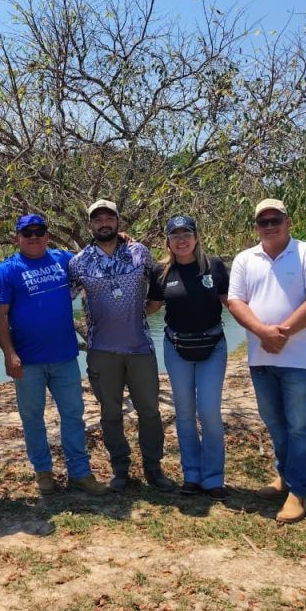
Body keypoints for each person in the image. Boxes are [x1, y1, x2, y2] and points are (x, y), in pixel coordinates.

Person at [227, 199, 306, 523]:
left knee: (300, 427)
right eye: (264, 222)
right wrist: (263, 332)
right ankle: (285, 477)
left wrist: (282, 333)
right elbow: (235, 301)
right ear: (256, 227)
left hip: (300, 360)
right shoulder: (245, 259)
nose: (270, 226)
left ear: (288, 222)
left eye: (276, 220)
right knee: (274, 422)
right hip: (260, 358)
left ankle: (300, 491)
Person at [0, 214, 109, 497]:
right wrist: (9, 353)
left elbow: (98, 256)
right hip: (27, 362)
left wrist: (123, 239)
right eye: (27, 233)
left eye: (39, 232)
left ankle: (79, 473)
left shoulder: (64, 260)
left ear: (47, 236)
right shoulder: (7, 270)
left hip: (64, 357)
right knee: (32, 418)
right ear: (17, 238)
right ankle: (43, 472)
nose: (34, 237)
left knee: (73, 415)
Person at [68, 199, 174, 492]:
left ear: (118, 221)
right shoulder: (78, 262)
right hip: (101, 351)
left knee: (149, 412)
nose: (104, 224)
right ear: (90, 225)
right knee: (110, 414)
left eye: (109, 218)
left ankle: (153, 468)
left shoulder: (139, 252)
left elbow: (162, 283)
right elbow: (61, 299)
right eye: (97, 219)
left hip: (140, 348)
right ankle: (120, 468)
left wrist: (143, 311)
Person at [147, 215, 230, 501]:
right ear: (168, 241)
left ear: (196, 238)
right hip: (177, 347)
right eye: (175, 235)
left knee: (209, 412)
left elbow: (232, 303)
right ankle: (192, 475)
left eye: (186, 234)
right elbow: (152, 306)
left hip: (213, 347)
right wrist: (117, 314)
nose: (181, 240)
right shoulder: (160, 272)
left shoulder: (214, 267)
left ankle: (214, 478)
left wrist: (262, 325)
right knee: (184, 413)